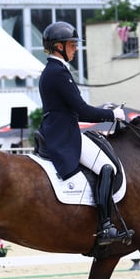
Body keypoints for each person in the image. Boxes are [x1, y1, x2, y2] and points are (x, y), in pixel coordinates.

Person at [38, 21, 133, 250]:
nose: (75, 49)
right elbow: (81, 110)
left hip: (59, 128)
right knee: (106, 167)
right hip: (64, 134)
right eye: (71, 45)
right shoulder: (58, 72)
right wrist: (113, 114)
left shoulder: (54, 71)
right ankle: (105, 226)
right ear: (59, 46)